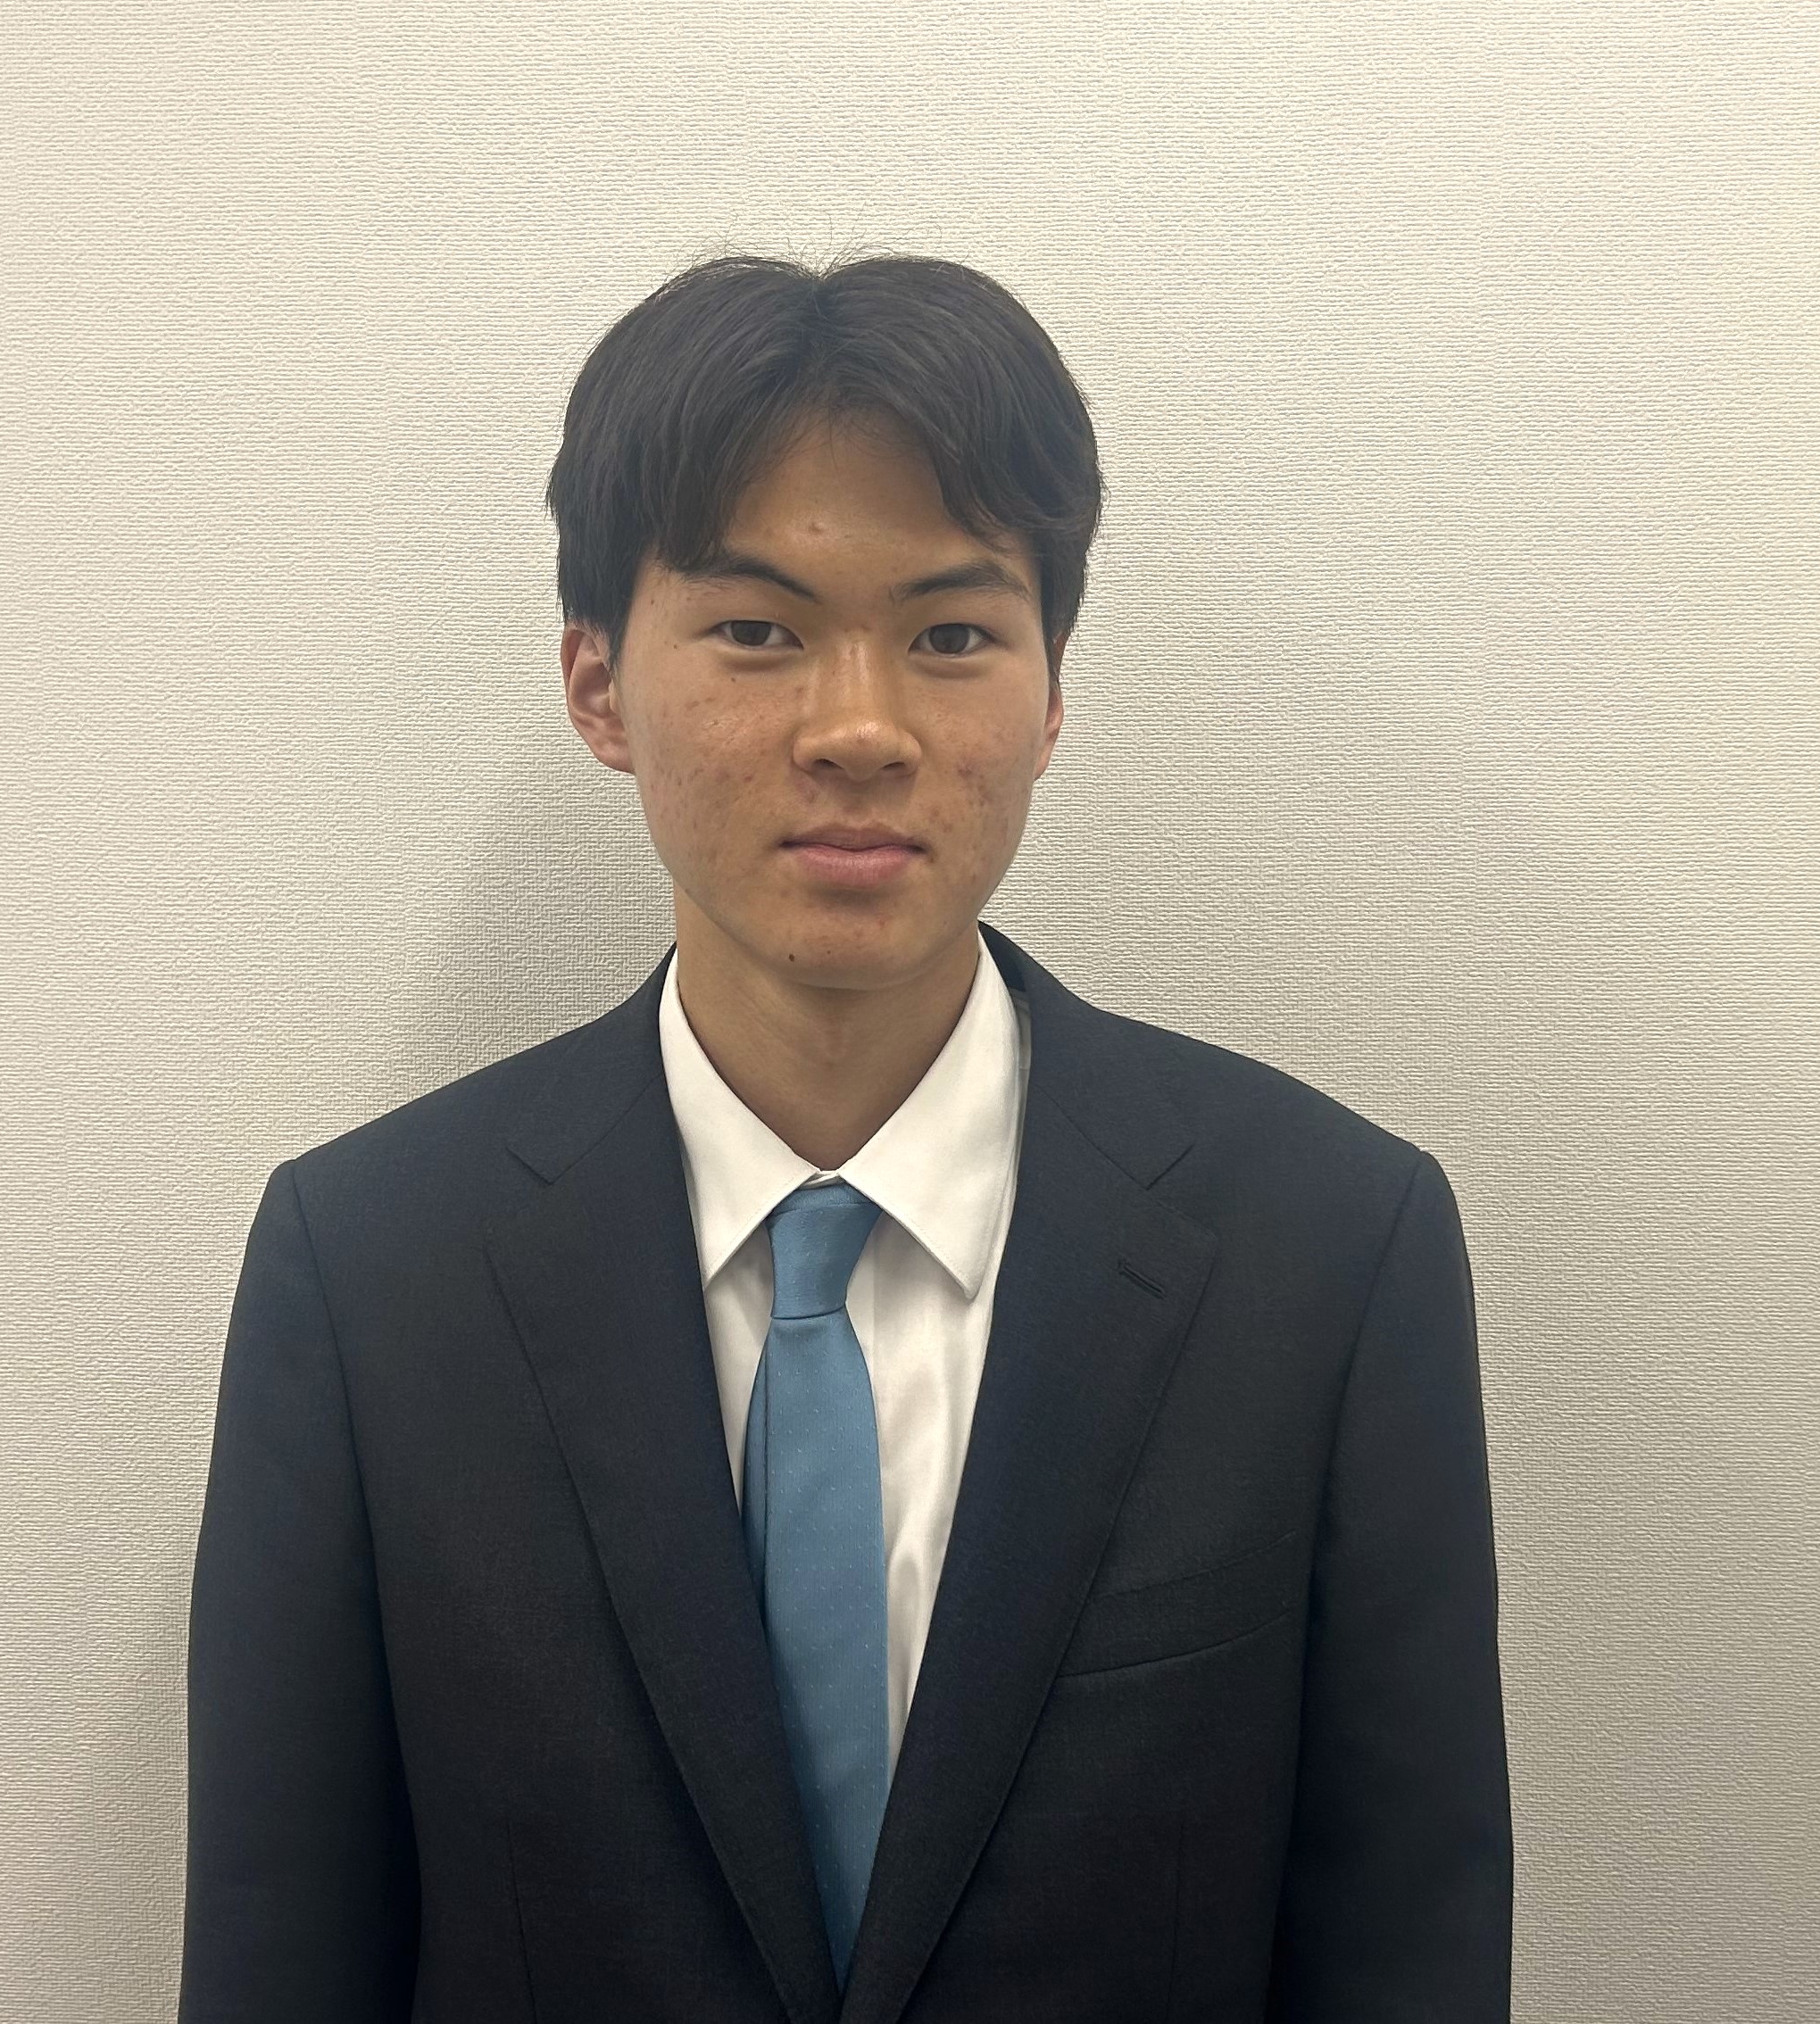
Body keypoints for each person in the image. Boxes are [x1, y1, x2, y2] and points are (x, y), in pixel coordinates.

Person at [178, 250, 1514, 2023]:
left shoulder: (1330, 1253)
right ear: (596, 685)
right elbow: (280, 1952)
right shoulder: (366, 1276)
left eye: (951, 635)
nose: (862, 729)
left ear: (1050, 693)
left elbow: (1405, 1946)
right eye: (757, 630)